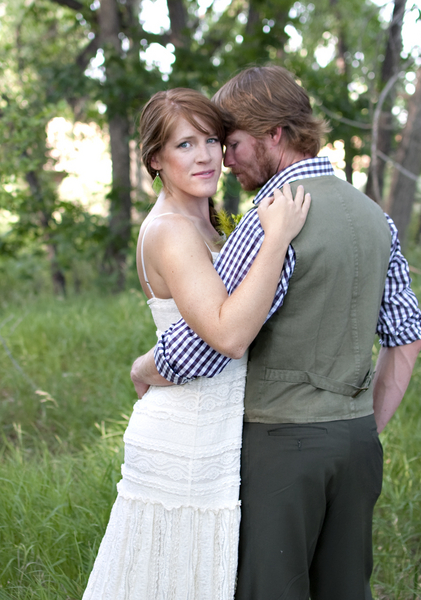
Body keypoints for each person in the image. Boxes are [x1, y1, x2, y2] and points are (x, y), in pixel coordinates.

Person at [130, 66, 421, 600]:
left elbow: (211, 343)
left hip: (281, 444)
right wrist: (364, 425)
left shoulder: (268, 218)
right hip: (357, 443)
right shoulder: (374, 216)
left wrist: (146, 366)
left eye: (231, 143)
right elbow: (406, 334)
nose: (225, 159)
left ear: (273, 135)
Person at [82, 88, 310, 599]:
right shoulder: (170, 232)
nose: (206, 155)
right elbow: (228, 335)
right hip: (184, 438)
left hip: (215, 430)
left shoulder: (205, 221)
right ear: (155, 159)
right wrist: (276, 239)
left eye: (212, 140)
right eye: (185, 145)